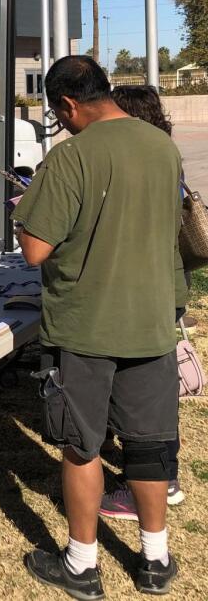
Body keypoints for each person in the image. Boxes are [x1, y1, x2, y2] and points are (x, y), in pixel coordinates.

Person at [13, 56, 181, 598]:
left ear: (67, 105)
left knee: (82, 446)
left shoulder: (71, 158)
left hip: (88, 326)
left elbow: (36, 249)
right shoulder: (162, 147)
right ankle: (155, 559)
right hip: (152, 321)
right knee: (150, 445)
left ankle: (82, 565)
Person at [97, 84, 189, 520]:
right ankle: (161, 474)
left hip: (147, 289)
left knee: (145, 396)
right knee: (155, 392)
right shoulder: (164, 154)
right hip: (166, 287)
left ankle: (157, 478)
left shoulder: (143, 159)